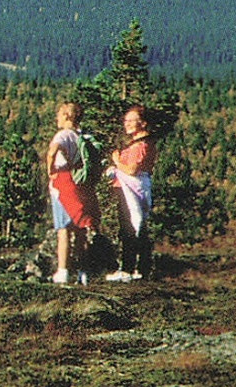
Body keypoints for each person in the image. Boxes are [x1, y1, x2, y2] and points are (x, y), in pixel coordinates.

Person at [44, 101, 97, 285]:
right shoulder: (82, 136)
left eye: (59, 114)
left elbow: (53, 151)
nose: (56, 118)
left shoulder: (64, 134)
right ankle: (83, 272)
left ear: (67, 116)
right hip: (80, 183)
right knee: (81, 228)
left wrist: (49, 169)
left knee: (63, 230)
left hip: (64, 183)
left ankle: (63, 271)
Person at [105, 104, 156, 281]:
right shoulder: (137, 144)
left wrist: (117, 162)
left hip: (131, 191)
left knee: (130, 228)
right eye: (125, 120)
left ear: (142, 123)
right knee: (131, 227)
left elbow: (132, 170)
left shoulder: (140, 146)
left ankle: (129, 269)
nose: (126, 124)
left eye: (131, 121)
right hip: (127, 189)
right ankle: (137, 268)